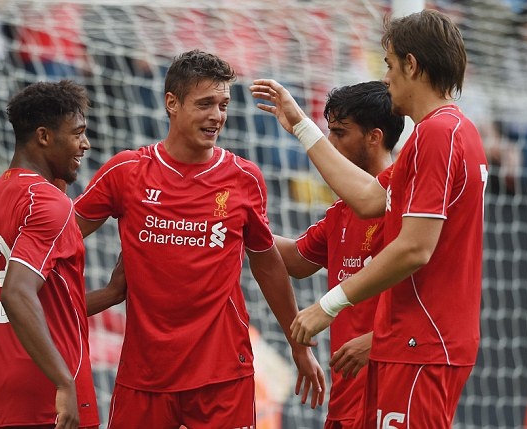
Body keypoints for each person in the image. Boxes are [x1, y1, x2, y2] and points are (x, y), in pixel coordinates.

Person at [251, 8, 487, 428]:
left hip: (421, 342)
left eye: (390, 65)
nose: (386, 77)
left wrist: (328, 305)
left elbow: (414, 248)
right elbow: (366, 196)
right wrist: (301, 125)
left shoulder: (439, 133)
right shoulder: (438, 135)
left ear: (411, 65)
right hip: (407, 345)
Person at [73, 49, 325, 428]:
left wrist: (298, 344)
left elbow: (268, 265)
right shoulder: (125, 172)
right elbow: (62, 237)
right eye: (205, 104)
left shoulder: (244, 178)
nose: (217, 116)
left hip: (222, 374)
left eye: (223, 105)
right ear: (171, 103)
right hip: (146, 374)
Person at [0, 80, 126, 428]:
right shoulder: (46, 201)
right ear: (44, 136)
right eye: (77, 133)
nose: (85, 144)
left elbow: (42, 307)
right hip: (45, 395)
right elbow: (15, 294)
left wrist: (111, 294)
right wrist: (64, 382)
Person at [274, 80, 404, 429]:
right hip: (345, 400)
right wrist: (239, 222)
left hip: (391, 393)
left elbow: (434, 297)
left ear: (374, 137)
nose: (329, 143)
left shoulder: (405, 201)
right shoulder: (342, 211)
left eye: (340, 133)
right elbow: (295, 261)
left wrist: (377, 342)